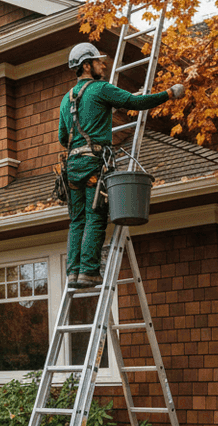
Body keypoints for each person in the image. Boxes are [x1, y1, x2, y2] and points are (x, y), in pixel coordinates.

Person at [59, 42, 185, 289]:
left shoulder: (67, 99)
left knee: (77, 220)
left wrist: (101, 113)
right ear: (87, 65)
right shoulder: (101, 89)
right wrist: (169, 94)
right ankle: (88, 272)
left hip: (73, 166)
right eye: (97, 61)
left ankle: (73, 273)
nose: (102, 65)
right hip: (94, 162)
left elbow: (64, 138)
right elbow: (136, 104)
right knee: (96, 216)